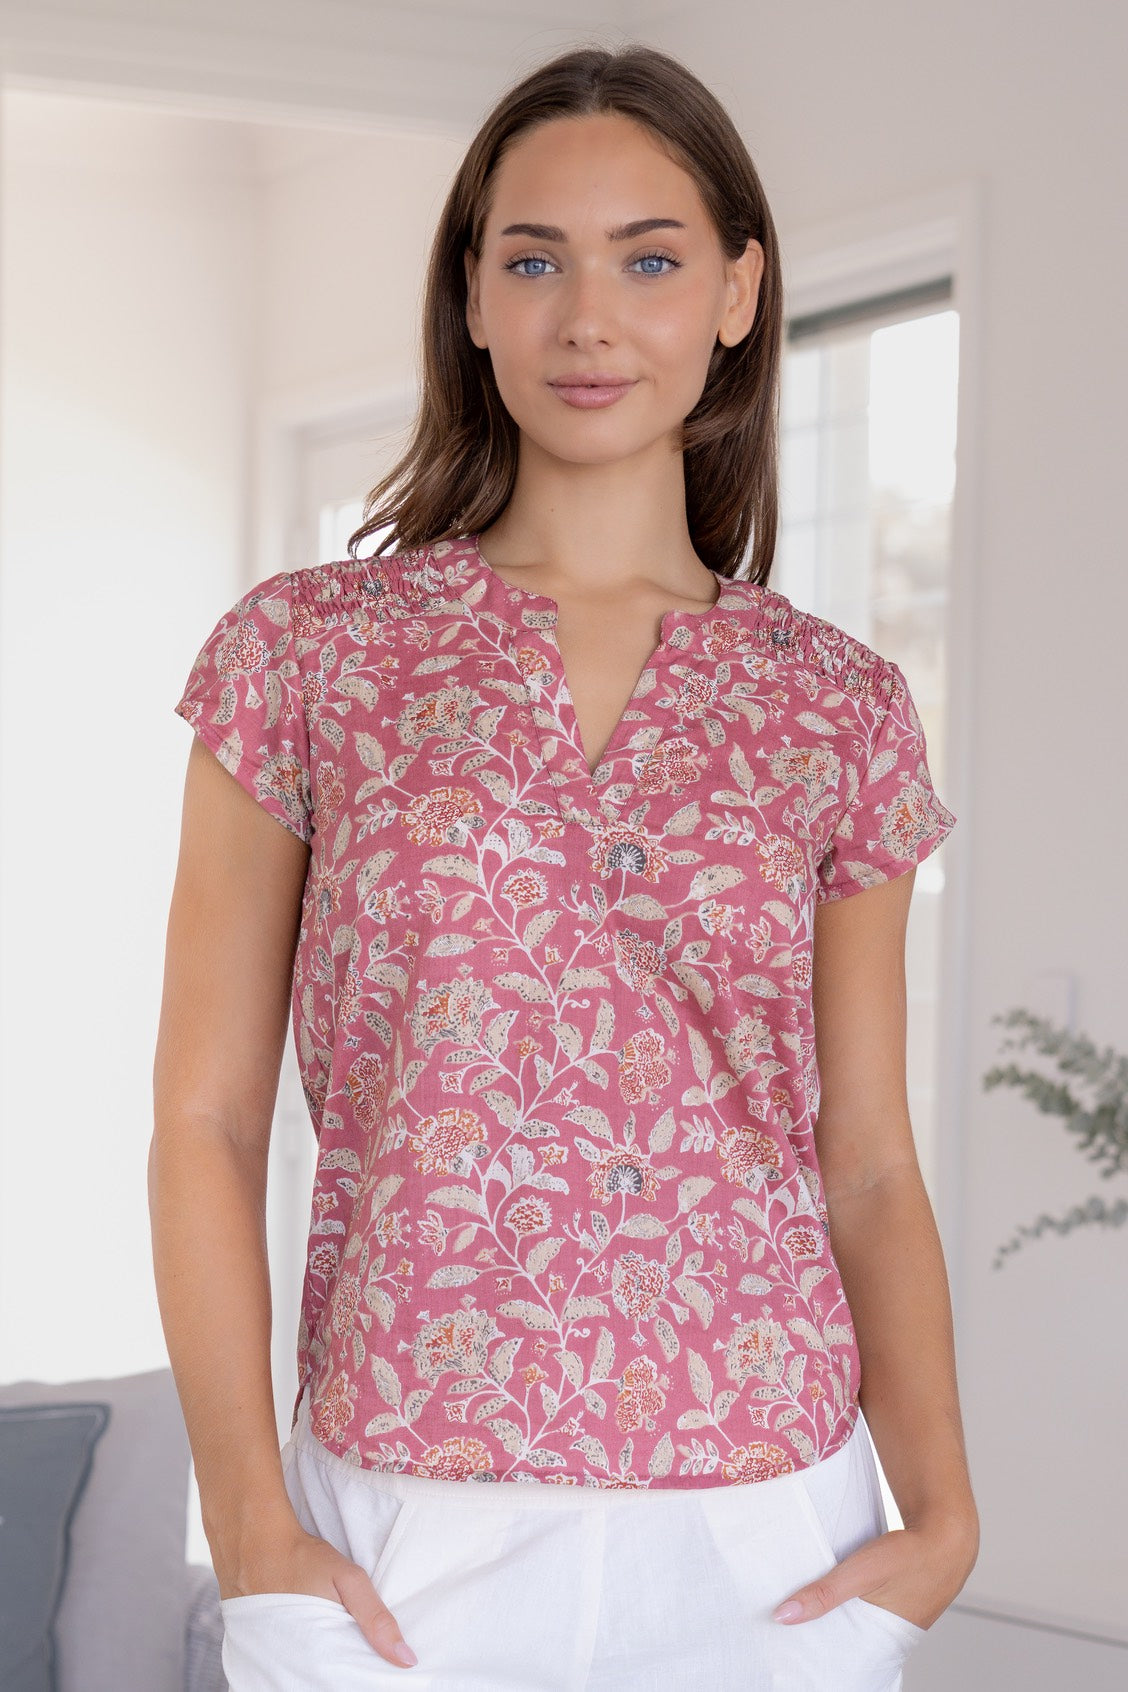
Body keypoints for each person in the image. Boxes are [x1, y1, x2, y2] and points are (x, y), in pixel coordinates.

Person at [150, 41, 979, 1692]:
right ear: (471, 295)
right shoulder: (311, 656)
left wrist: (943, 1515)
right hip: (399, 1522)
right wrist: (249, 1512)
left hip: (769, 1534)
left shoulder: (838, 705)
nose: (587, 317)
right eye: (533, 259)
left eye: (650, 260)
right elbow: (205, 1118)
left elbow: (870, 1161)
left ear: (738, 292)